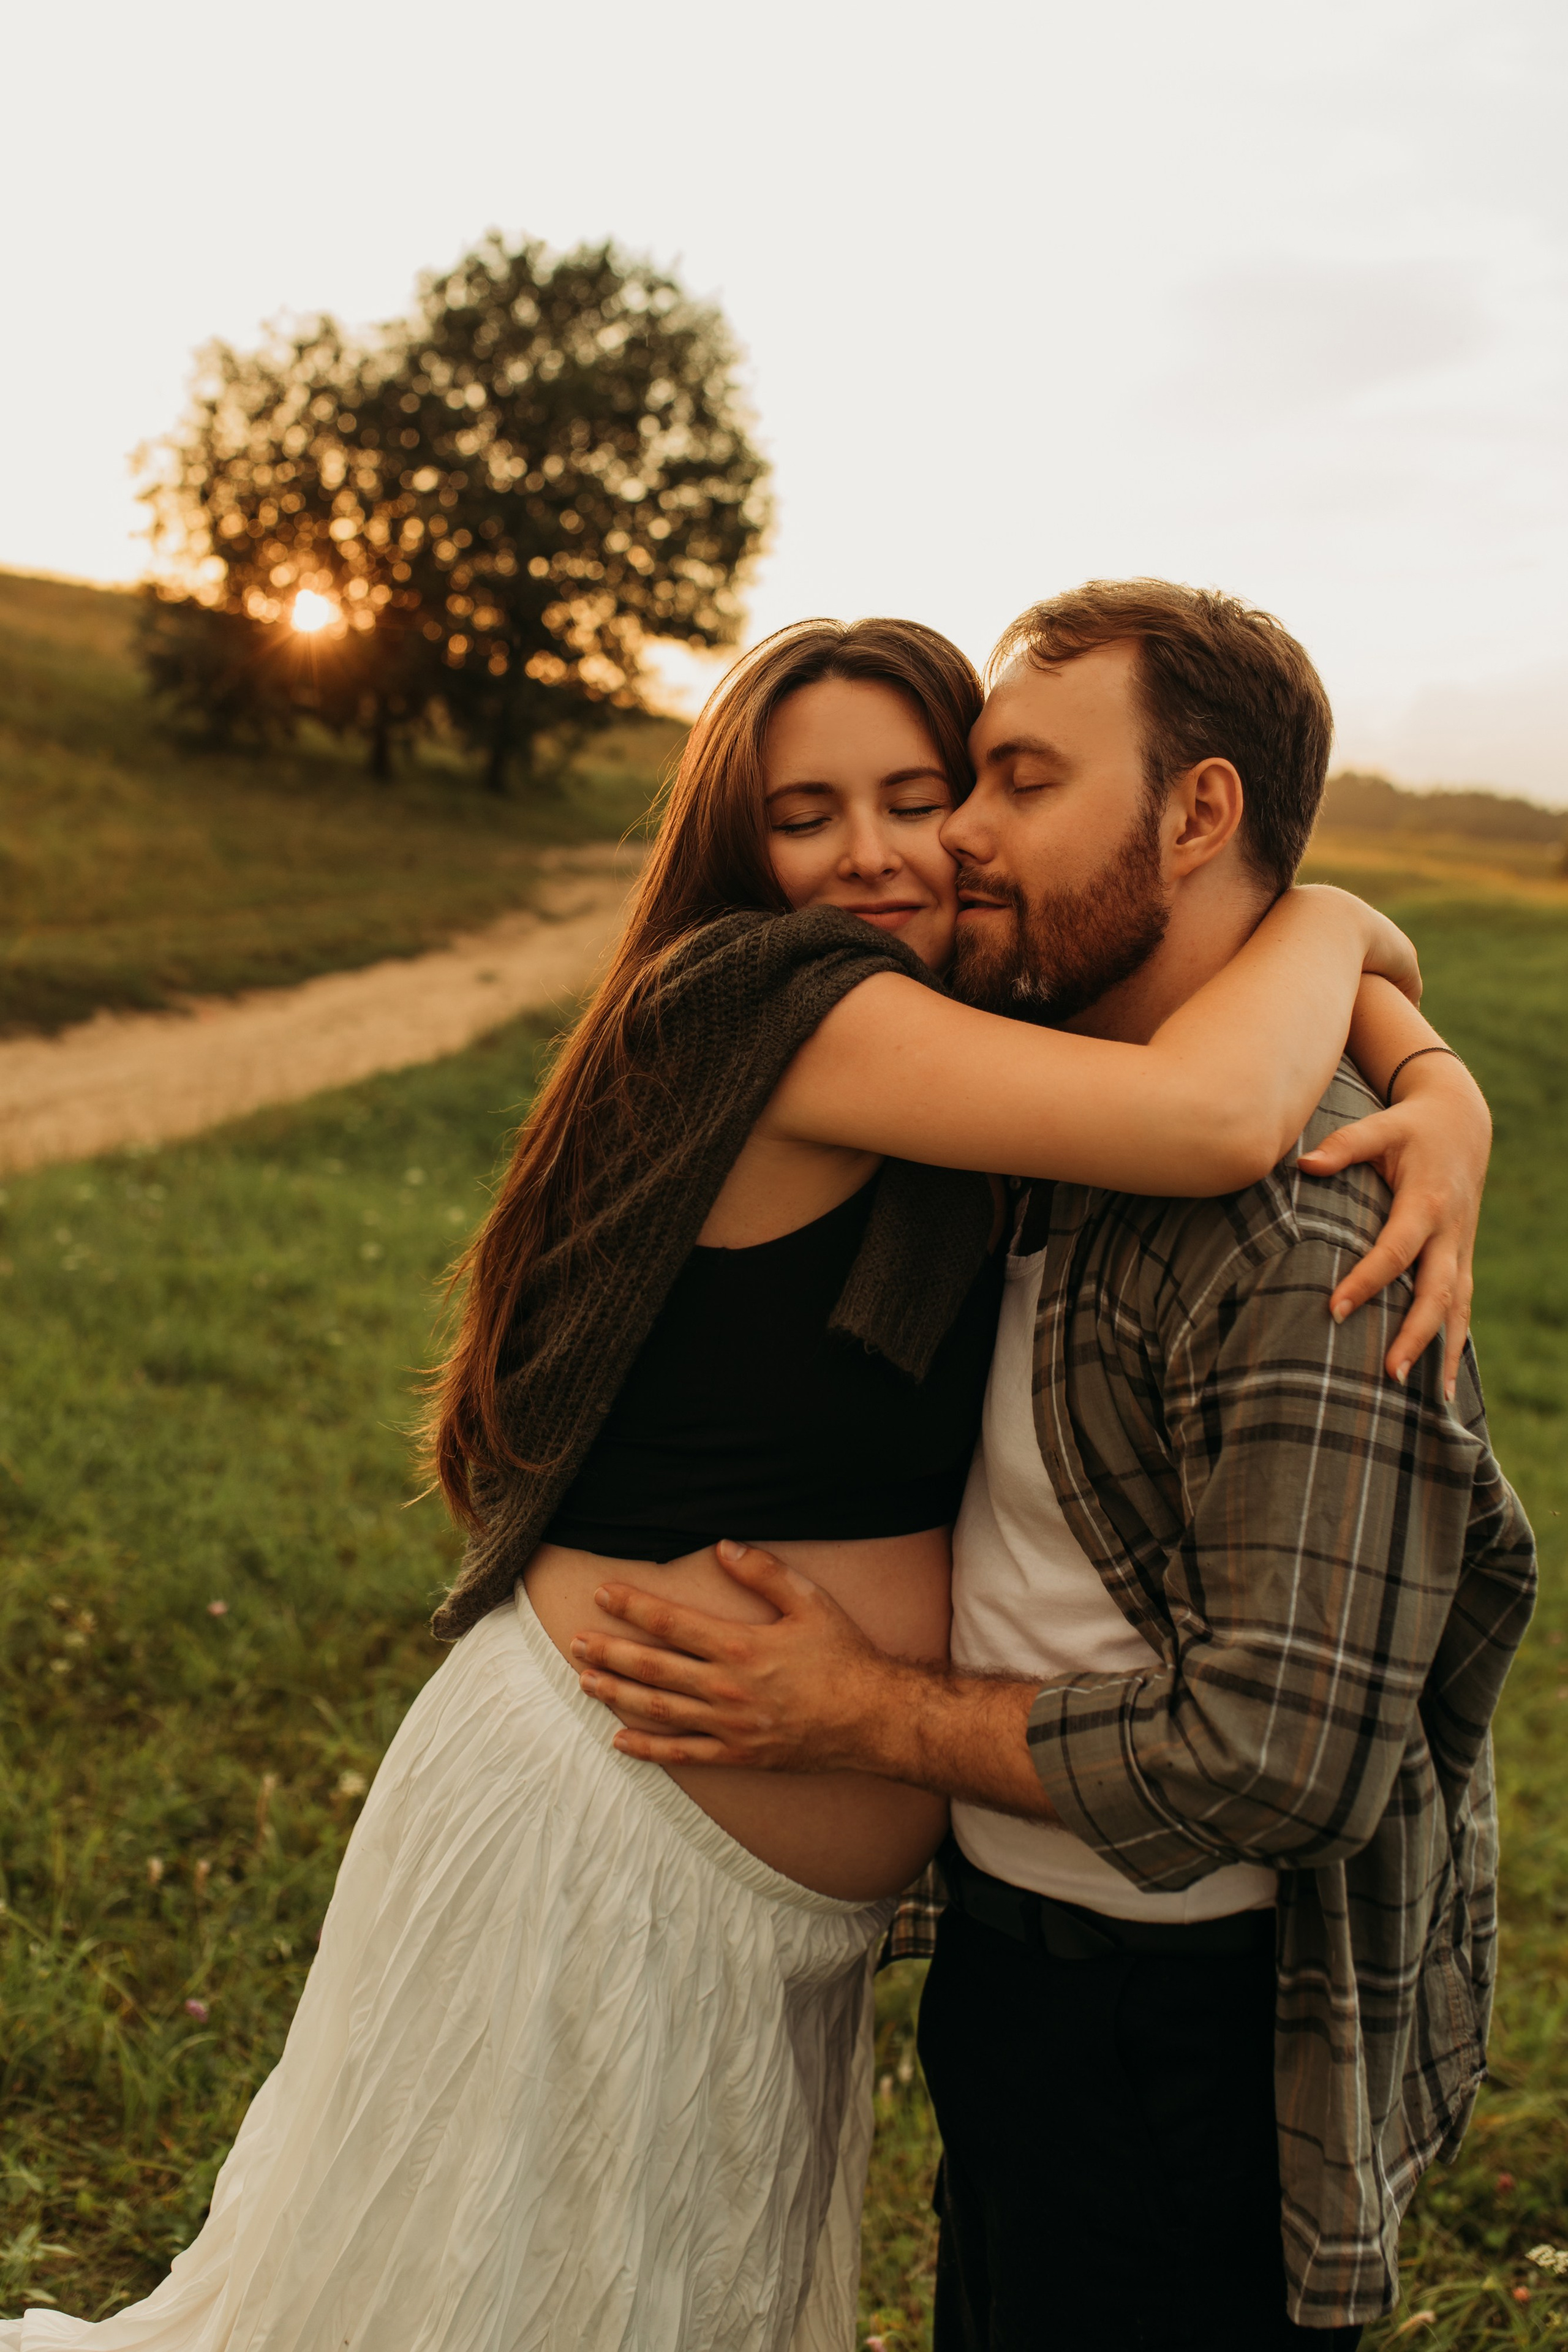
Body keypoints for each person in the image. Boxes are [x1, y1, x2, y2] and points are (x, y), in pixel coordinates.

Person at [0, 609, 1490, 2352]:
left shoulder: (981, 1061)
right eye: (805, 813)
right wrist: (1336, 934)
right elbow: (1213, 1115)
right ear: (740, 842)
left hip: (755, 1923)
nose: (880, 852)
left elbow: (1204, 1079)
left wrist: (1423, 1071)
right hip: (607, 1846)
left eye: (930, 794)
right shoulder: (783, 1006)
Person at [570, 584, 1532, 2351]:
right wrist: (1398, 1018)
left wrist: (863, 1711)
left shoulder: (1312, 1230)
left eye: (1010, 783)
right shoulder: (1043, 1098)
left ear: (1196, 813)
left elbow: (1280, 1757)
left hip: (1170, 2032)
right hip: (1015, 1985)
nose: (955, 843)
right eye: (961, 787)